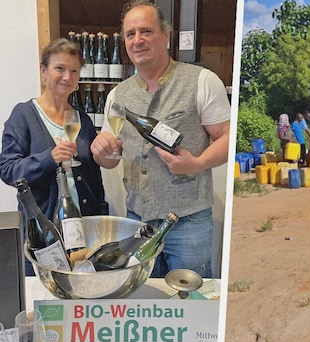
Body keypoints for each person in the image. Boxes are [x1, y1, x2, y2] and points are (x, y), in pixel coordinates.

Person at [90, 0, 231, 278]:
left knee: (192, 300)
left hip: (189, 222)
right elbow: (109, 159)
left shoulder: (202, 81)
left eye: (146, 31)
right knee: (145, 299)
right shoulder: (117, 96)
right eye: (130, 34)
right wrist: (100, 151)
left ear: (166, 36)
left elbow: (227, 137)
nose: (137, 40)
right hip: (137, 222)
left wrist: (198, 163)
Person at [0, 38, 108, 275]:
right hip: (44, 233)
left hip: (84, 232)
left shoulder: (83, 120)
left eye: (74, 71)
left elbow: (94, 177)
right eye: (60, 68)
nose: (67, 77)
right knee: (45, 303)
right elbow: (8, 170)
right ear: (43, 71)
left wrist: (101, 219)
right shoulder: (24, 115)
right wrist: (49, 158)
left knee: (82, 300)